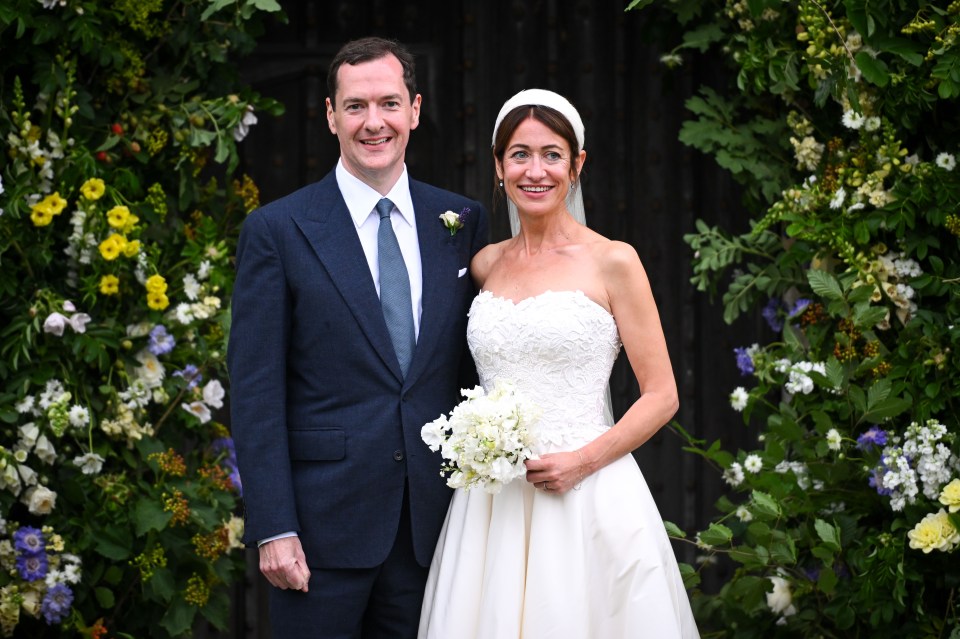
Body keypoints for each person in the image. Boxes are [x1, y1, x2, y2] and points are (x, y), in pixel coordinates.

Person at [227, 36, 488, 638]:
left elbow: (472, 369)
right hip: (318, 538)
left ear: (415, 110)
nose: (375, 122)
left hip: (434, 531)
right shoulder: (278, 229)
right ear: (330, 115)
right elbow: (256, 391)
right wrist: (274, 526)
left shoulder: (461, 222)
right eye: (356, 106)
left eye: (390, 104)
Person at [418, 89, 699, 638]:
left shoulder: (614, 261)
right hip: (491, 505)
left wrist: (584, 461)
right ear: (499, 168)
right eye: (519, 154)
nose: (535, 170)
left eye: (552, 154)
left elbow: (662, 394)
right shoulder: (483, 265)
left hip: (587, 494)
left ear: (577, 165)